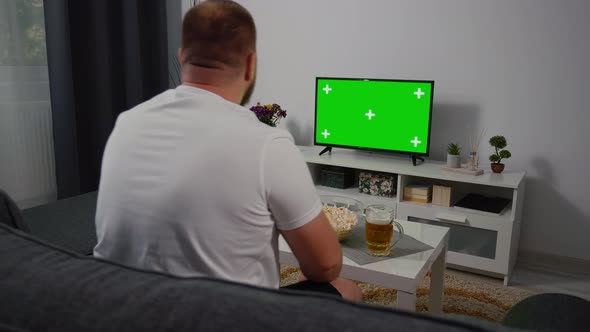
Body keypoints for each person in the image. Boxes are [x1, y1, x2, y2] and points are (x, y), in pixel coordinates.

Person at [93, 0, 361, 301]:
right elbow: (324, 267)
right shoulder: (268, 145)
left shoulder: (125, 124)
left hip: (118, 309)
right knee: (346, 290)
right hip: (222, 317)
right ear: (250, 63)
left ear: (183, 58)